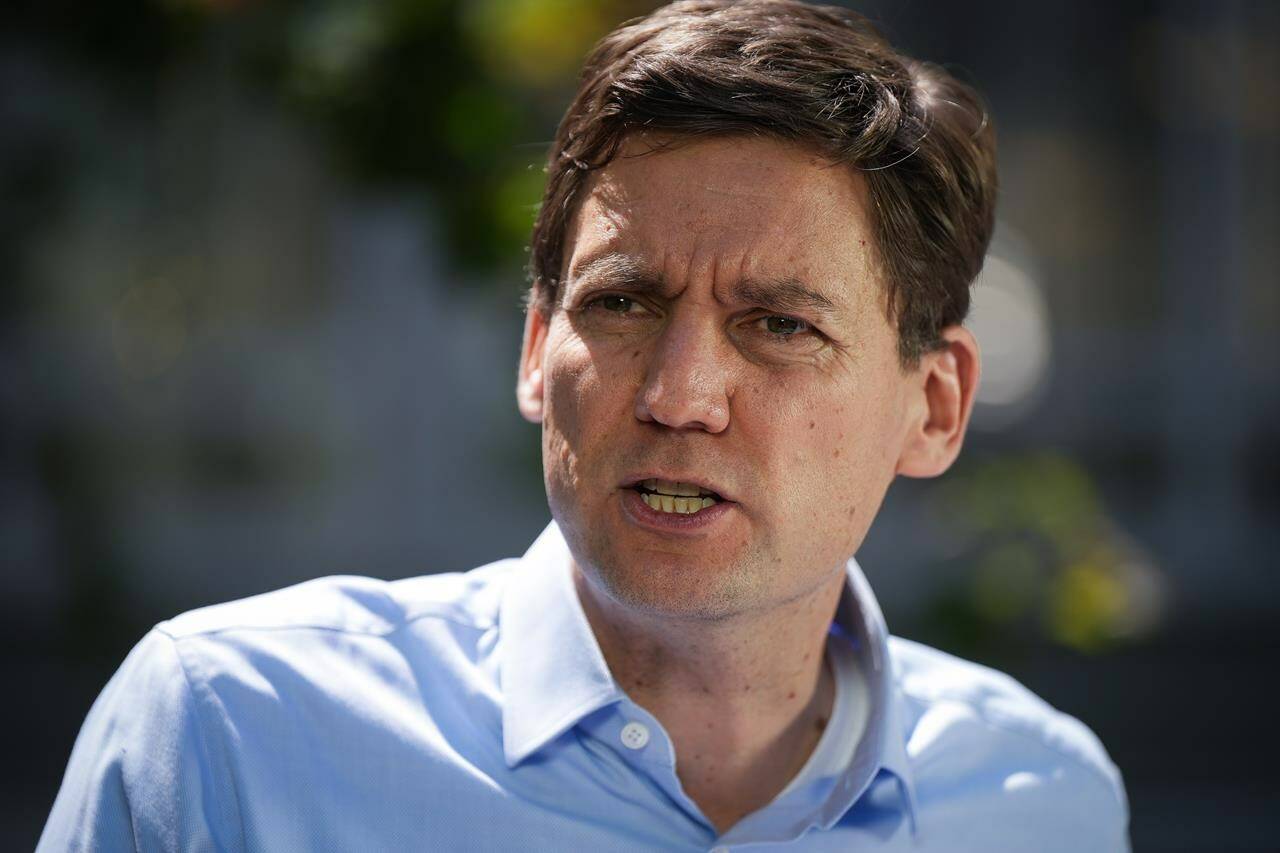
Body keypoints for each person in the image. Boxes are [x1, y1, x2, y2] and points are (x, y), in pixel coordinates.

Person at [40, 1, 1129, 850]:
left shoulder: (1040, 798)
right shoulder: (232, 735)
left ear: (932, 408)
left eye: (778, 325)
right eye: (622, 302)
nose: (678, 392)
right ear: (533, 351)